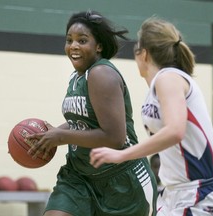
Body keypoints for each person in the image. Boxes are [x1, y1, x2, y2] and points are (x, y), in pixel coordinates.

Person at [90, 17, 213, 215]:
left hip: (199, 192)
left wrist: (122, 155)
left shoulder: (169, 77)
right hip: (174, 193)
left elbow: (175, 131)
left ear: (144, 54)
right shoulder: (157, 86)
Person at [27, 10, 158, 216]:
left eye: (82, 40)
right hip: (79, 176)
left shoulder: (101, 73)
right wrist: (50, 135)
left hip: (121, 181)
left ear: (98, 46)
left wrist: (60, 137)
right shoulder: (77, 77)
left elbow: (114, 137)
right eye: (69, 40)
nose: (73, 46)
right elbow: (84, 123)